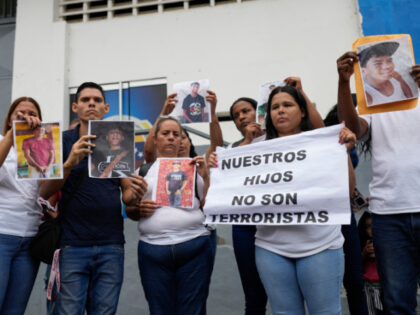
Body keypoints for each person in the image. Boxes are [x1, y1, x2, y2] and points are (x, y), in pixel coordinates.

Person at [39, 82, 147, 315]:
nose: (91, 103)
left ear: (106, 107)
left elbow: (127, 196)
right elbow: (44, 192)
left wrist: (135, 193)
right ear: (75, 107)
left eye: (97, 100)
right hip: (71, 246)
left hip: (111, 245)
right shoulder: (60, 141)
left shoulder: (119, 139)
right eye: (86, 99)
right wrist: (69, 163)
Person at [250, 85, 356, 314]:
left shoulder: (324, 143)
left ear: (303, 111)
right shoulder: (254, 149)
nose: (280, 111)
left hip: (320, 245)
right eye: (275, 107)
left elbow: (346, 192)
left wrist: (344, 153)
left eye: (287, 105)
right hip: (271, 248)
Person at [226, 77, 323, 315]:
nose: (242, 117)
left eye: (246, 110)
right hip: (257, 233)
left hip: (306, 234)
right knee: (260, 297)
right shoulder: (238, 148)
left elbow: (322, 133)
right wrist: (248, 142)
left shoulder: (293, 137)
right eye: (236, 115)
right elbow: (232, 180)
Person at [337, 51, 420, 315]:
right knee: (397, 302)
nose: (385, 67)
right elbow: (354, 129)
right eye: (377, 62)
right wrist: (343, 82)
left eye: (389, 61)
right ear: (366, 71)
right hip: (388, 214)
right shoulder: (370, 104)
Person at [126, 117, 213, 315]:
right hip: (153, 251)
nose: (172, 138)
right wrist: (138, 207)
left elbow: (209, 207)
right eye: (166, 134)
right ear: (155, 139)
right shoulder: (142, 171)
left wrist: (206, 176)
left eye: (177, 134)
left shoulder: (195, 168)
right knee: (159, 310)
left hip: (194, 246)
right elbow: (129, 208)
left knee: (192, 310)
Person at [324, 103, 369, 315]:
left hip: (343, 215)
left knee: (353, 280)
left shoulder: (348, 146)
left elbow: (347, 185)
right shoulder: (320, 141)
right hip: (322, 221)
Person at [0, 97, 43, 314]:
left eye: (32, 114)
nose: (26, 117)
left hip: (30, 241)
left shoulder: (42, 148)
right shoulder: (1, 140)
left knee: (15, 309)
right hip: (2, 234)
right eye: (20, 113)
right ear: (9, 119)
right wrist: (11, 135)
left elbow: (46, 192)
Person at [359, 41, 414, 106]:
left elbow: (408, 94)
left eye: (389, 60)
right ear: (363, 71)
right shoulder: (367, 94)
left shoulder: (394, 76)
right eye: (378, 63)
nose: (388, 66)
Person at [358, 211, 384, 315]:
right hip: (368, 286)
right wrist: (364, 252)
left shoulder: (387, 243)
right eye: (368, 226)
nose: (372, 230)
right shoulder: (363, 245)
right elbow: (357, 265)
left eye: (375, 225)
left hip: (384, 286)